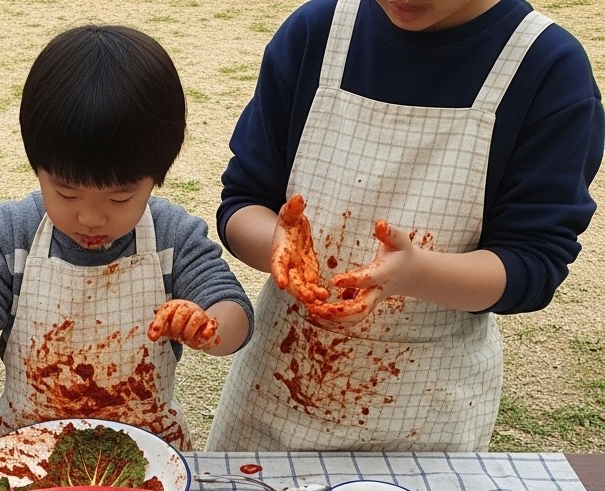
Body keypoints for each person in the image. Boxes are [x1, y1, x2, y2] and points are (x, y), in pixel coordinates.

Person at [207, 0, 604, 453]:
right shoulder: (316, 32)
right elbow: (243, 201)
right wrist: (281, 247)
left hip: (424, 416)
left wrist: (416, 274)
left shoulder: (547, 68)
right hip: (274, 392)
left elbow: (532, 263)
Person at [0, 24, 253, 450]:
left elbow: (234, 311)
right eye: (66, 193)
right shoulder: (12, 234)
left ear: (156, 177)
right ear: (37, 167)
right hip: (29, 449)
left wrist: (209, 328)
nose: (91, 218)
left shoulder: (173, 237)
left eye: (120, 197)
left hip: (147, 450)